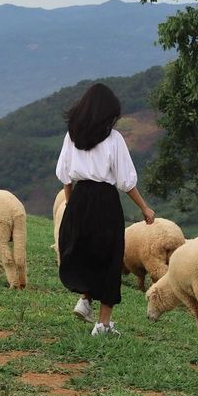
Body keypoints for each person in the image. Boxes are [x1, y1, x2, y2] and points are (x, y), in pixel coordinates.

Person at [55, 82, 155, 336]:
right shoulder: (114, 139)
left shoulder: (72, 135)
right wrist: (145, 208)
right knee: (110, 257)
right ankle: (103, 324)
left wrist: (70, 204)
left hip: (79, 199)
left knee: (86, 251)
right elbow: (126, 181)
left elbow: (65, 176)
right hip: (104, 201)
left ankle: (86, 300)